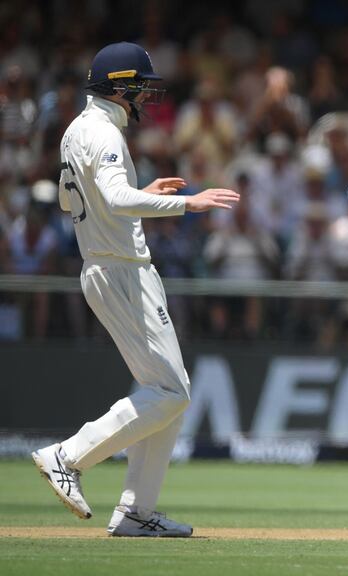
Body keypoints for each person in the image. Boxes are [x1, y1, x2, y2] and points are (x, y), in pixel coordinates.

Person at [30, 42, 239, 537]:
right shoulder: (102, 132)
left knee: (168, 392)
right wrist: (189, 204)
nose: (145, 97)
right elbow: (117, 201)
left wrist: (147, 193)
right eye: (140, 87)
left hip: (112, 266)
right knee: (170, 392)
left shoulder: (77, 131)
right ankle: (68, 455)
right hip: (120, 270)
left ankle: (136, 512)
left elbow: (75, 203)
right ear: (119, 87)